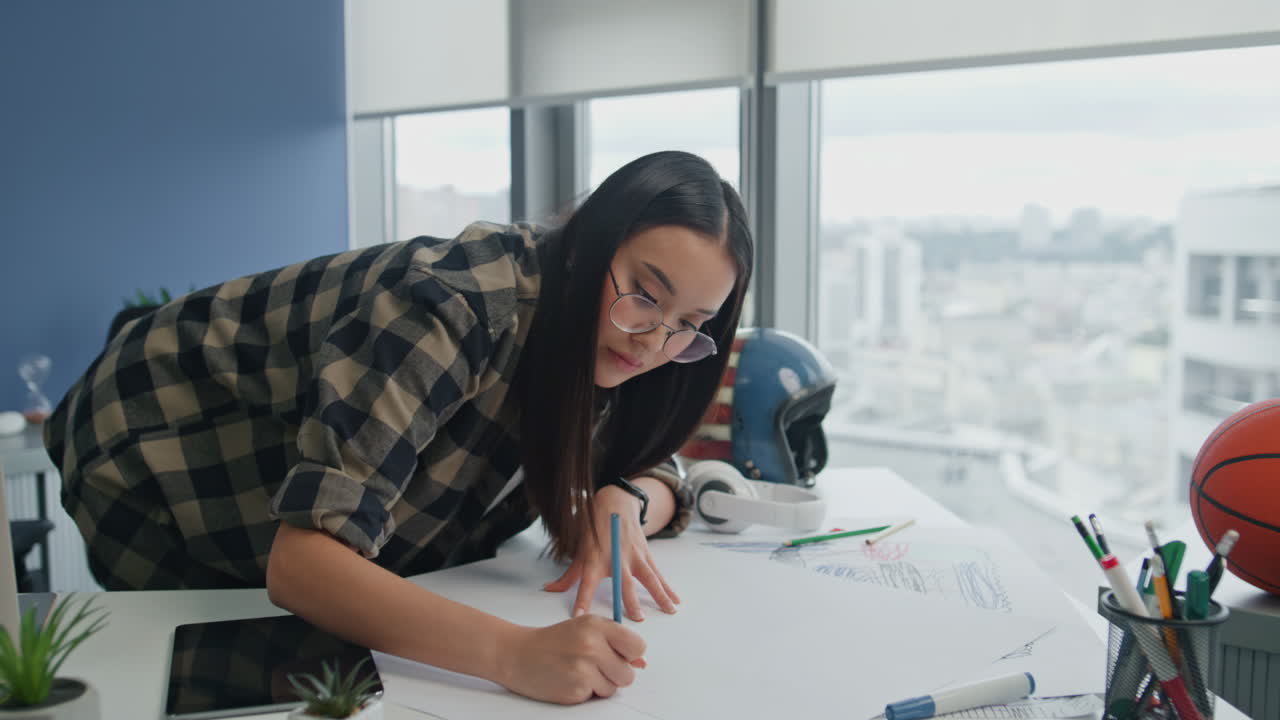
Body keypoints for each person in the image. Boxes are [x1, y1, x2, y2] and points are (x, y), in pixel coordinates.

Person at [44, 150, 753, 704]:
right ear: (585, 248)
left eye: (690, 324)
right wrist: (511, 654)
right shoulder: (453, 305)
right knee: (238, 664)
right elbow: (303, 564)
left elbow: (655, 464)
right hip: (154, 440)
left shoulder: (626, 339)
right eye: (645, 293)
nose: (652, 341)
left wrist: (625, 498)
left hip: (290, 494)